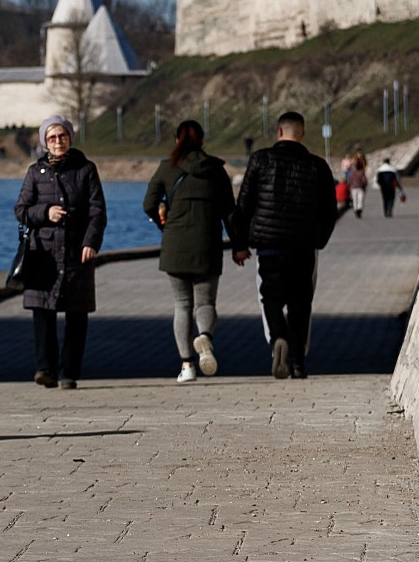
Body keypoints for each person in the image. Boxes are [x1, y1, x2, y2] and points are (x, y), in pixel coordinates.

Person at [232, 111, 339, 380]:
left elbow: (243, 206)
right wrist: (320, 240)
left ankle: (278, 338)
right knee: (301, 304)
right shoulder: (318, 165)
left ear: (279, 132)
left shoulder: (259, 160)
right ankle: (298, 362)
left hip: (269, 248)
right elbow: (329, 209)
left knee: (270, 298)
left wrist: (239, 244)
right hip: (304, 247)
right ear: (301, 133)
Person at [142, 120, 238, 383]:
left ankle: (187, 366)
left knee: (182, 305)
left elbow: (148, 203)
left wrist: (163, 216)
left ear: (176, 140)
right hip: (207, 243)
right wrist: (238, 246)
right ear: (203, 140)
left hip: (175, 244)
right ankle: (204, 338)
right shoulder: (216, 170)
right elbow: (230, 213)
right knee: (205, 302)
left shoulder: (167, 167)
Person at [14, 114, 106, 389]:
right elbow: (21, 210)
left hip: (76, 253)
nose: (57, 142)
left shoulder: (86, 169)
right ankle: (45, 369)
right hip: (43, 255)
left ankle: (69, 372)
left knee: (77, 316)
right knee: (43, 313)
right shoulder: (35, 172)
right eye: (52, 138)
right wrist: (45, 212)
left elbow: (97, 211)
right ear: (45, 141)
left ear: (70, 138)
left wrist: (91, 242)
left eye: (62, 136)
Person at [344, 146, 369, 220]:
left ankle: (356, 209)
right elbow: (364, 180)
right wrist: (364, 185)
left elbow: (349, 180)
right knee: (360, 199)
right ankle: (358, 209)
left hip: (353, 187)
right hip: (359, 186)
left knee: (355, 198)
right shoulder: (360, 170)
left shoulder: (352, 172)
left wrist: (349, 185)